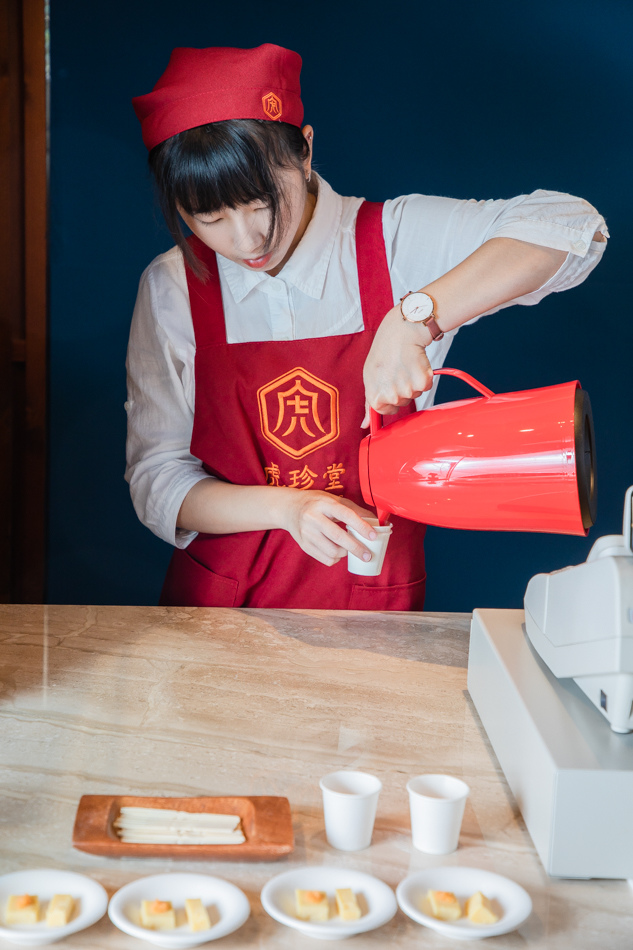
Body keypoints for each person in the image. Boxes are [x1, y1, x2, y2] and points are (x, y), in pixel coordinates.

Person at [127, 43, 607, 610]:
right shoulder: (173, 287)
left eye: (260, 203)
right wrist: (287, 509)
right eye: (209, 218)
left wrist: (416, 316)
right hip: (219, 610)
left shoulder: (391, 240)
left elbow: (574, 228)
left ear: (304, 152)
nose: (245, 240)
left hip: (372, 602)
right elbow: (157, 477)